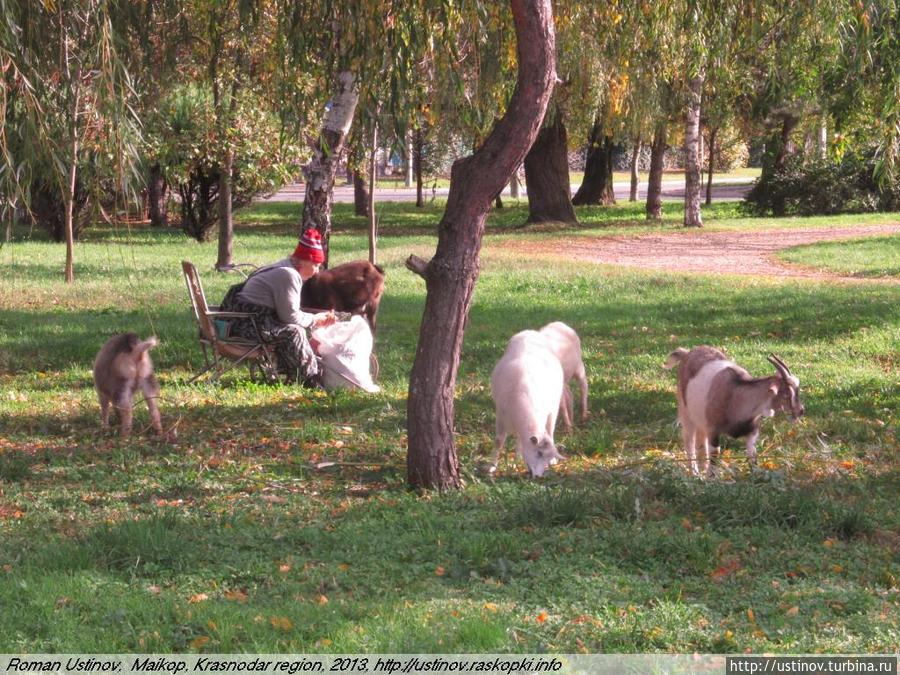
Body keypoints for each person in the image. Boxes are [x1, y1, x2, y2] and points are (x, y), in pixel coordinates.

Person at [219, 228, 336, 385]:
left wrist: (313, 317)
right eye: (316, 265)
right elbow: (289, 317)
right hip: (246, 324)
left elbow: (287, 312)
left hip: (242, 320)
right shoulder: (288, 274)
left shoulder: (285, 267)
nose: (316, 271)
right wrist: (315, 319)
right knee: (294, 332)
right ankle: (310, 379)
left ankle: (297, 371)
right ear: (304, 260)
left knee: (291, 329)